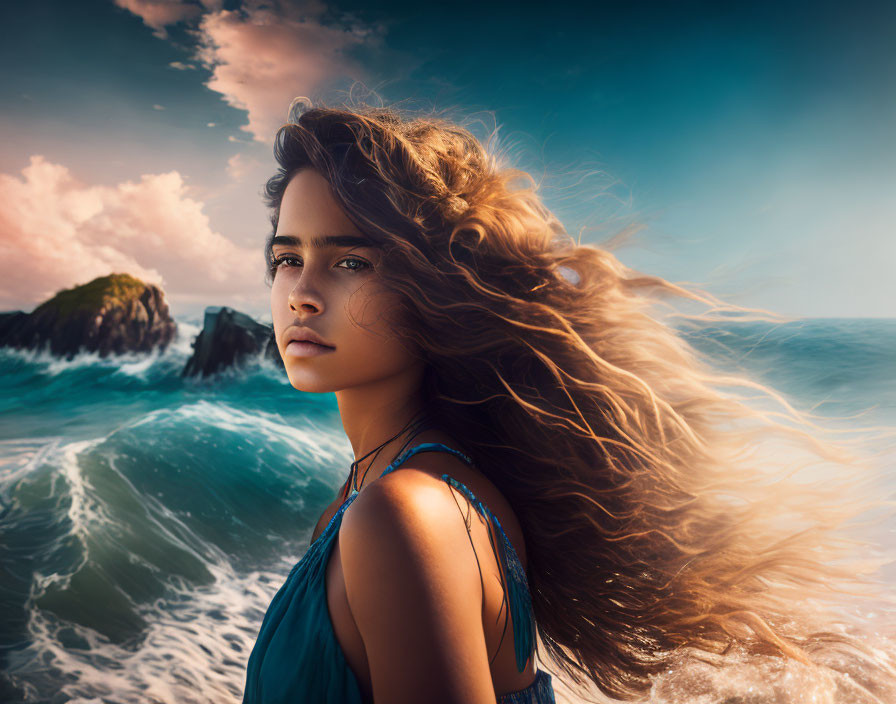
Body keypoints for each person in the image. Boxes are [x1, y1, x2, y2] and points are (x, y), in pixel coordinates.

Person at [242, 97, 891, 703]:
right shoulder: (382, 493)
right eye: (286, 258)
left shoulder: (405, 513)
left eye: (350, 262)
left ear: (431, 286)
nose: (300, 292)